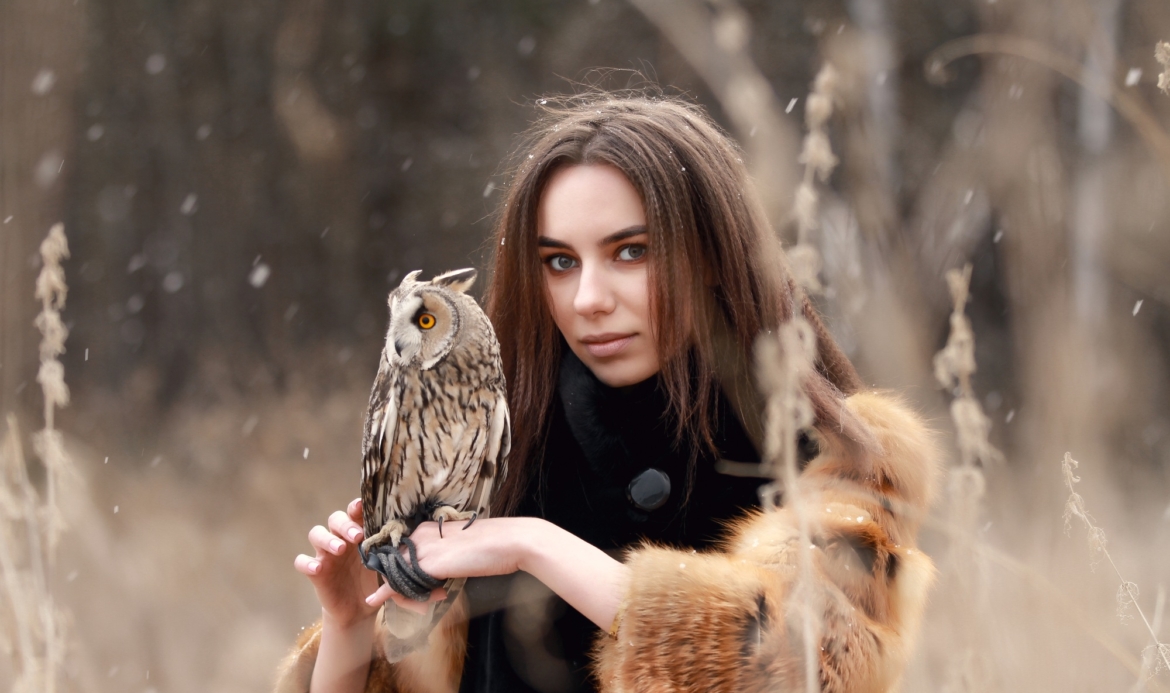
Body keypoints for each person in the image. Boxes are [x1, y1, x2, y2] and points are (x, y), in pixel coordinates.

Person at [274, 92, 940, 693]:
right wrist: (349, 623)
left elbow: (791, 675)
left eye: (631, 251)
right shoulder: (504, 448)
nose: (588, 298)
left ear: (712, 254)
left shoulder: (837, 462)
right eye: (560, 262)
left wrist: (536, 545)